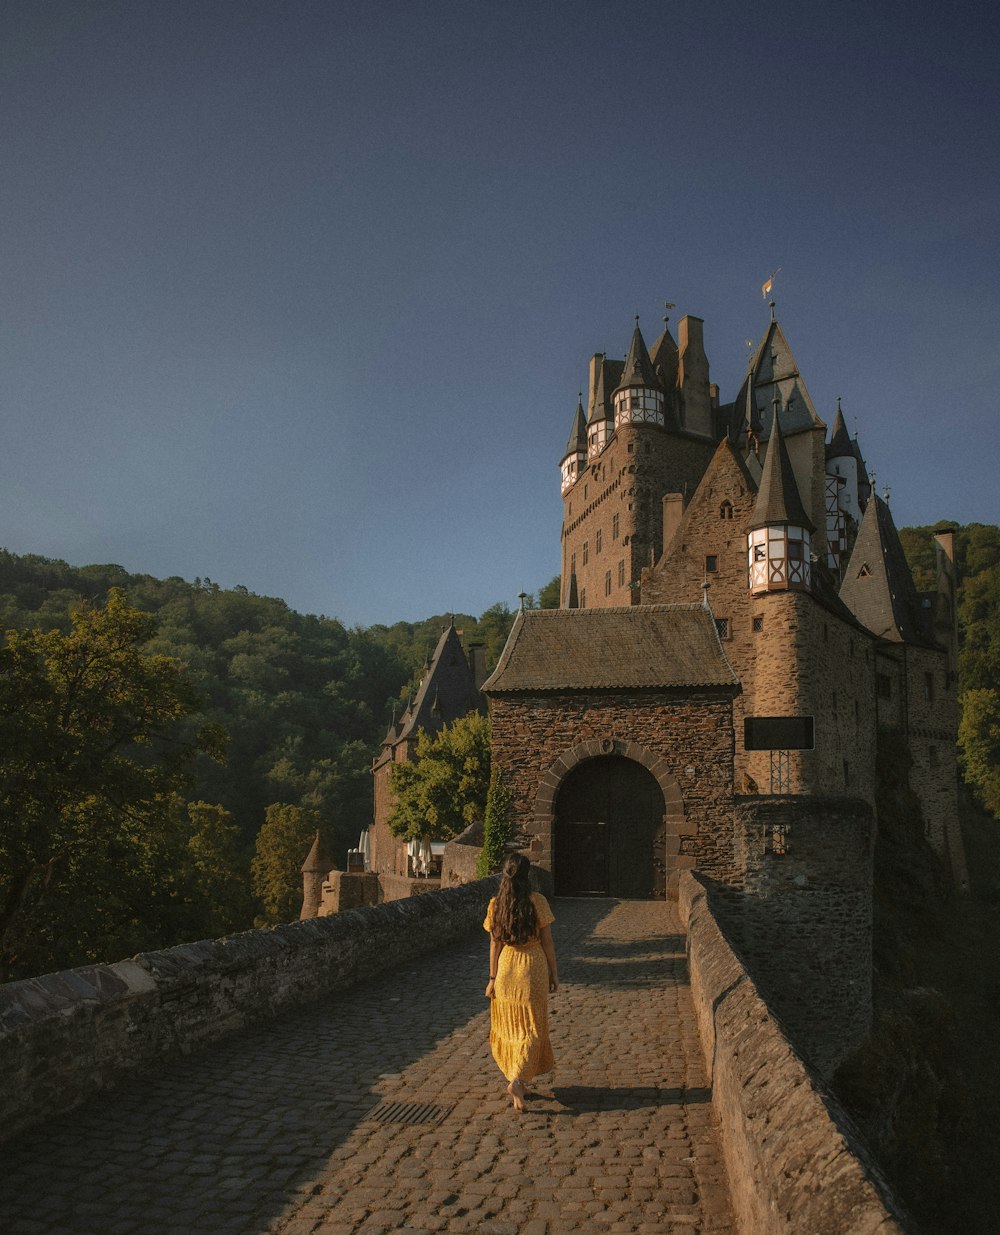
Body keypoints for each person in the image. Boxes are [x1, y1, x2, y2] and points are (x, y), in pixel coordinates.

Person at [483, 853, 559, 1112]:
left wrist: (492, 978)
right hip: (532, 968)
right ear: (528, 875)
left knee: (513, 1028)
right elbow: (547, 942)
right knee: (533, 1029)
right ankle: (518, 1080)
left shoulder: (496, 904)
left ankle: (520, 1084)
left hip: (506, 969)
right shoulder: (537, 901)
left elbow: (495, 944)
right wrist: (554, 973)